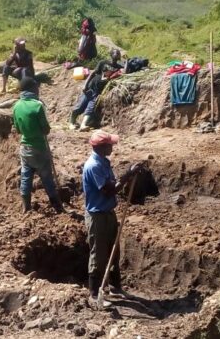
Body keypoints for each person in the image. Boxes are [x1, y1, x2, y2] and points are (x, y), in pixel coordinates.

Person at [82, 130, 139, 308]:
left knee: (114, 251)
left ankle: (115, 287)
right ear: (101, 147)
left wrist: (128, 176)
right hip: (97, 215)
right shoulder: (93, 166)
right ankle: (94, 294)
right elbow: (109, 190)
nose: (112, 147)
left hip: (108, 213)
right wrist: (128, 175)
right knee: (98, 255)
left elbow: (113, 186)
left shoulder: (104, 162)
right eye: (110, 145)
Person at [12, 77, 65, 214]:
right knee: (47, 177)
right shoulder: (38, 105)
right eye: (36, 87)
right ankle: (57, 206)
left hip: (25, 148)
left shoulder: (16, 106)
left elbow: (18, 130)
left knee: (25, 176)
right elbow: (46, 129)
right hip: (39, 147)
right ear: (32, 89)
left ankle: (26, 207)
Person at [69, 48, 123, 132]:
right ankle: (71, 123)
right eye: (115, 53)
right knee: (80, 106)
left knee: (90, 108)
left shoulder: (119, 68)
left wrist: (126, 61)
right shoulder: (103, 62)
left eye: (118, 53)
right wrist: (85, 85)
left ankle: (83, 125)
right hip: (90, 88)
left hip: (98, 91)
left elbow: (126, 70)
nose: (116, 55)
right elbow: (93, 73)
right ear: (111, 54)